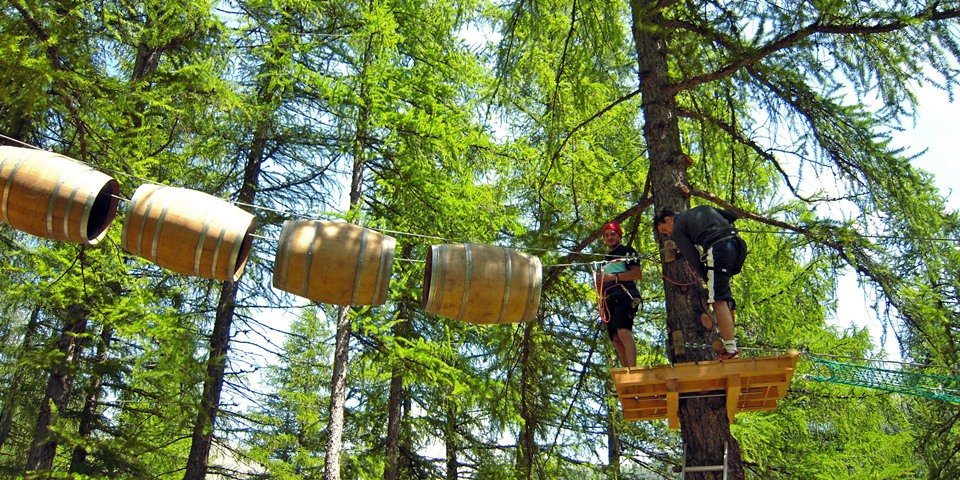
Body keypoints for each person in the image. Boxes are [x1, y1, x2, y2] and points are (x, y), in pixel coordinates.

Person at [653, 206, 747, 361]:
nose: (668, 234)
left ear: (669, 219)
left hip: (719, 248)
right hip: (737, 246)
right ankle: (731, 342)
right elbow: (731, 216)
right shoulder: (702, 209)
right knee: (723, 296)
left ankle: (731, 350)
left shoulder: (678, 229)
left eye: (665, 230)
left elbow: (692, 257)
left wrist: (706, 278)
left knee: (717, 299)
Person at [596, 221, 642, 368]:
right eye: (607, 235)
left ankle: (632, 370)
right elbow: (601, 284)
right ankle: (626, 369)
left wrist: (614, 277)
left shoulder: (627, 252)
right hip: (608, 300)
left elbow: (637, 273)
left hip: (625, 295)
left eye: (613, 234)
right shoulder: (603, 261)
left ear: (619, 236)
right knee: (615, 338)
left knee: (623, 331)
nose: (610, 237)